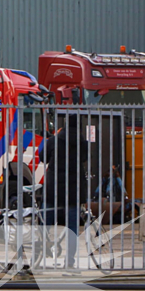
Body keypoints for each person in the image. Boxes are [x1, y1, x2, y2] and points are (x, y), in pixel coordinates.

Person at [40, 113, 92, 269]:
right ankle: (69, 261)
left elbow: (43, 157)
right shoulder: (83, 143)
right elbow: (84, 158)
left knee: (44, 223)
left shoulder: (54, 141)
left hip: (53, 188)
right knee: (72, 228)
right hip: (73, 190)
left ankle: (39, 257)